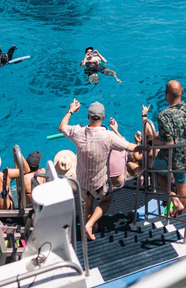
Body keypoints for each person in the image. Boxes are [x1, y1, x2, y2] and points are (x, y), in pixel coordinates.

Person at [59, 99, 141, 240]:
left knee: (88, 203)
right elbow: (129, 147)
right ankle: (90, 224)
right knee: (106, 200)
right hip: (99, 184)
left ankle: (90, 228)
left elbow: (62, 127)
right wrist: (145, 146)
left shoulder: (78, 132)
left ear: (88, 117)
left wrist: (71, 110)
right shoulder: (108, 136)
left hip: (82, 183)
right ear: (103, 117)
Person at [150, 80, 186, 217]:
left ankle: (174, 199)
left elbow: (169, 144)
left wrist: (155, 139)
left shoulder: (164, 115)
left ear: (166, 94)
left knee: (157, 170)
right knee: (182, 184)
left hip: (171, 157)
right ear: (182, 92)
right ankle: (181, 214)